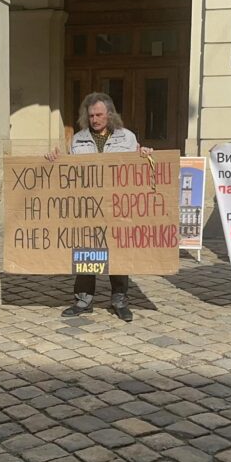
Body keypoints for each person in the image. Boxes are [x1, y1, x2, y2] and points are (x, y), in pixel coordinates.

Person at [46, 92, 153, 322]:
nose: (95, 119)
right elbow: (68, 171)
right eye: (91, 115)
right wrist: (55, 158)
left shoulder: (127, 138)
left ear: (110, 114)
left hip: (117, 206)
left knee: (119, 253)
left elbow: (138, 169)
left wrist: (145, 155)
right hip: (88, 207)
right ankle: (83, 300)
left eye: (99, 115)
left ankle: (120, 300)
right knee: (86, 253)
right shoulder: (78, 140)